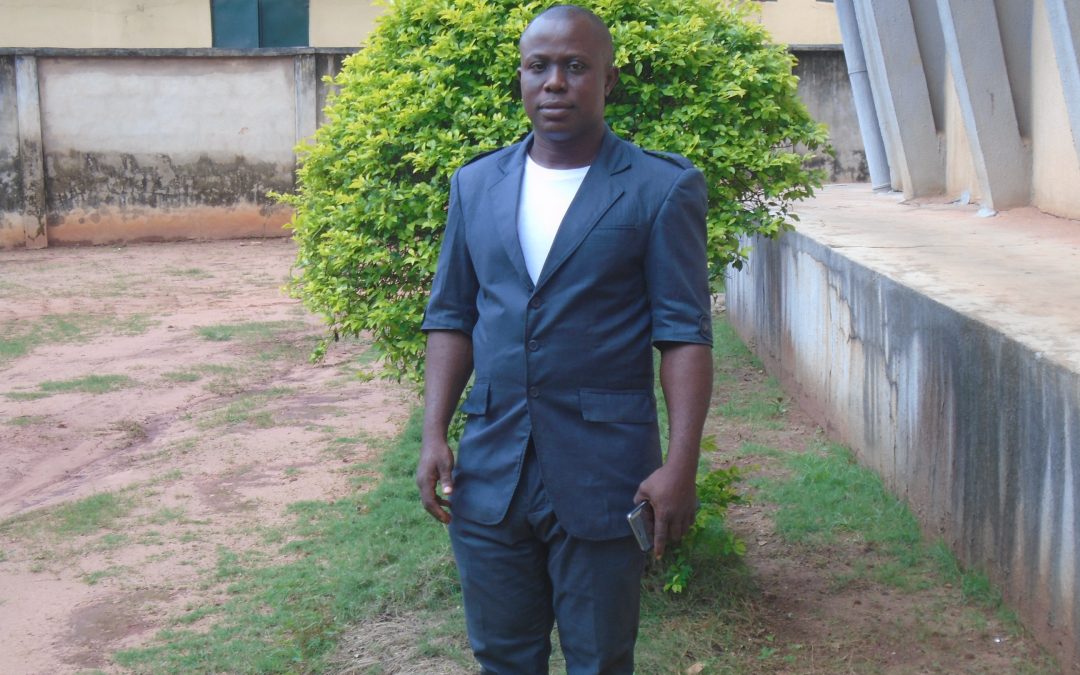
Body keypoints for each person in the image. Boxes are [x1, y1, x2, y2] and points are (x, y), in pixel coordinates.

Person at [417, 5, 713, 672]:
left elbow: (684, 335)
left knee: (600, 659)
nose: (555, 82)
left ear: (607, 81)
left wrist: (681, 464)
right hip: (490, 471)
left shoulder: (659, 188)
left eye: (575, 66)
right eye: (539, 66)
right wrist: (434, 433)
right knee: (502, 656)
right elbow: (451, 316)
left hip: (606, 474)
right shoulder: (476, 185)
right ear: (521, 79)